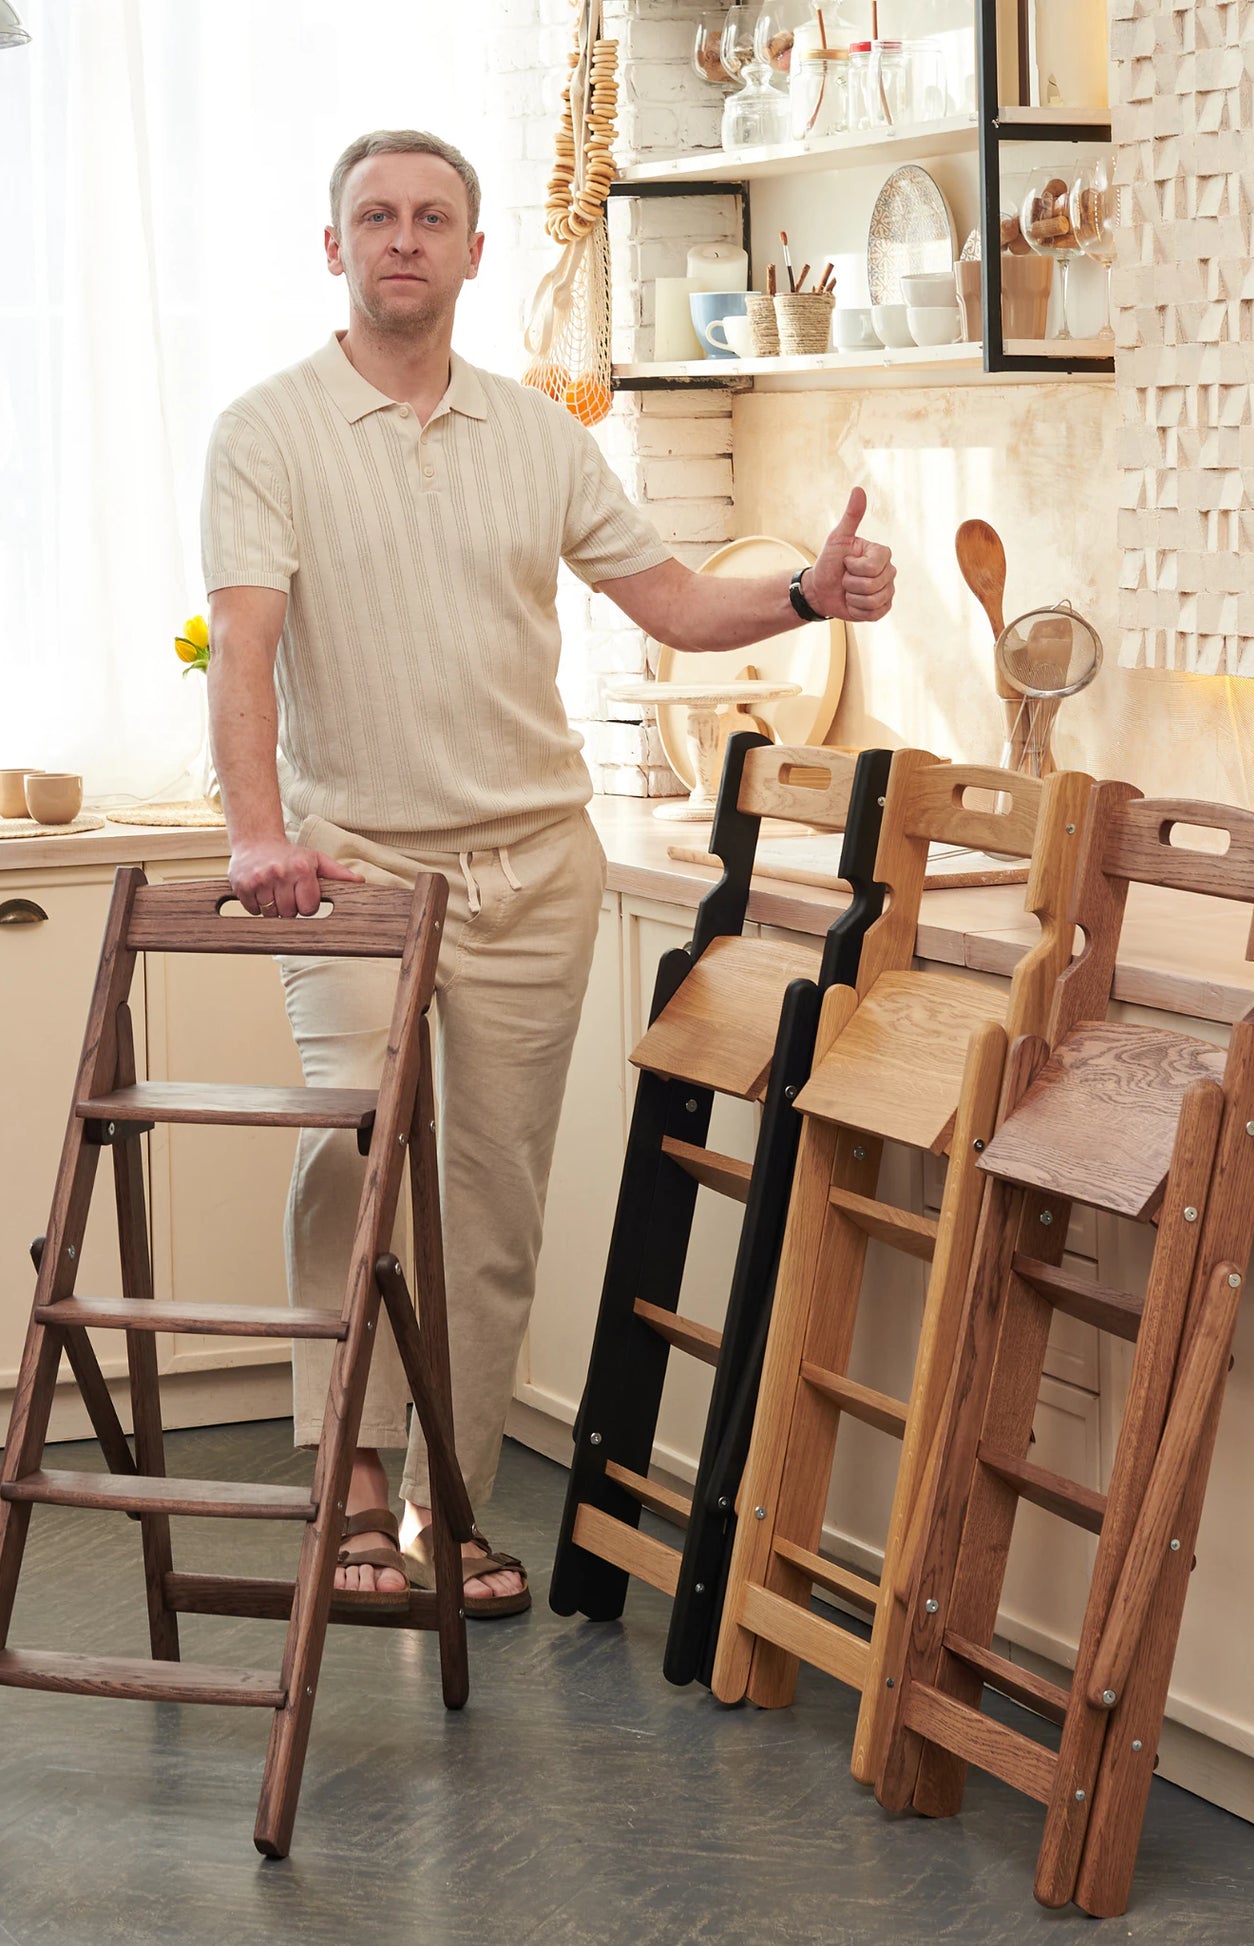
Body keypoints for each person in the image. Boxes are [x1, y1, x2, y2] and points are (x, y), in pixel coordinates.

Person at [201, 129, 895, 1616]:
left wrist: (801, 592)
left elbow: (671, 603)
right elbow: (245, 653)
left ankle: (448, 1510)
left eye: (432, 217)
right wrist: (258, 835)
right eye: (375, 216)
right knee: (353, 1163)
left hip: (531, 865)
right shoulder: (265, 432)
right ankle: (351, 1491)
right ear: (335, 249)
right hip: (353, 871)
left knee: (493, 1199)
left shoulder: (536, 436)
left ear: (469, 251)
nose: (404, 238)